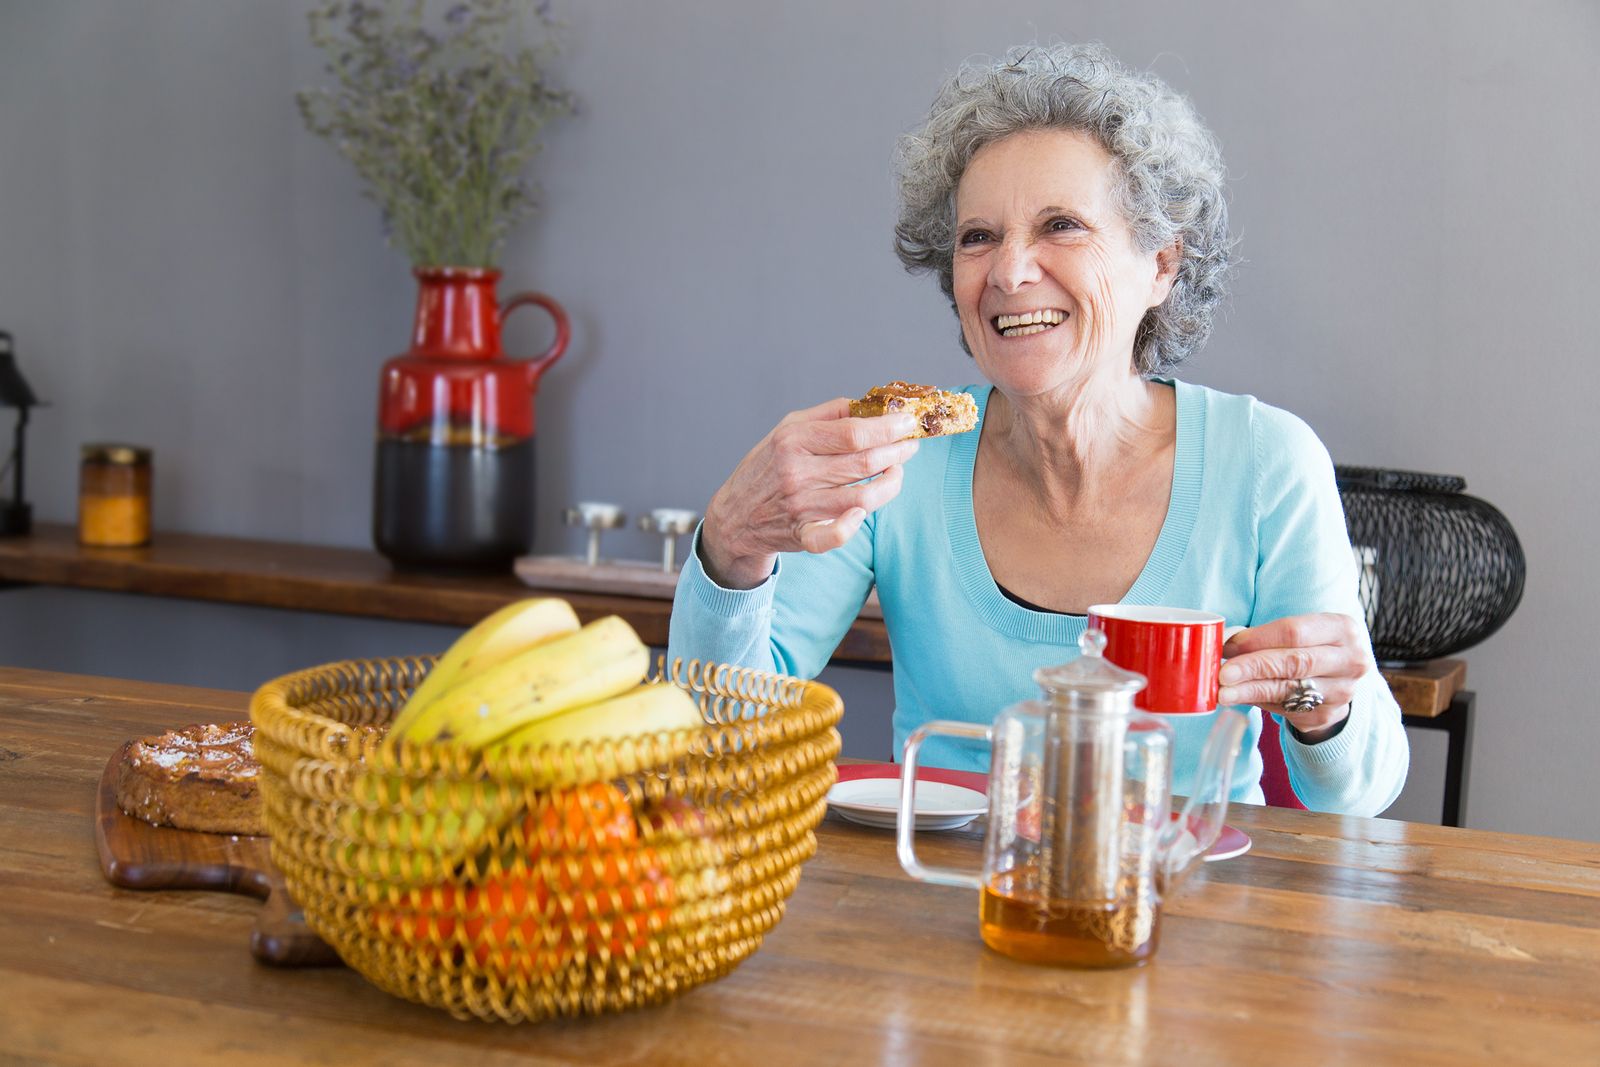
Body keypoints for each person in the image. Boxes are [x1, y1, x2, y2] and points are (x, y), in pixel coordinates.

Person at [667, 43, 1408, 815]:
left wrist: (1330, 709)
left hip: (1188, 902)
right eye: (977, 237)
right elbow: (716, 741)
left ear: (1159, 264)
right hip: (940, 894)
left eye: (1060, 224)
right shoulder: (901, 457)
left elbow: (1357, 796)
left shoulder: (1265, 463)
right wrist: (730, 545)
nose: (1010, 271)